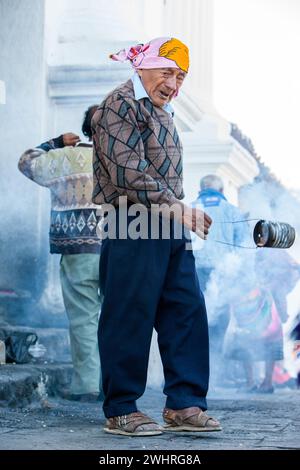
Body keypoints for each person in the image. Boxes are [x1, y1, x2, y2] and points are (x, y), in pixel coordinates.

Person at [92, 36, 221, 436]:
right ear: (143, 66)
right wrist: (178, 207)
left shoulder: (163, 111)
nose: (174, 84)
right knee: (129, 314)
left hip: (167, 226)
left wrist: (180, 212)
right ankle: (121, 409)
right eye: (168, 72)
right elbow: (127, 172)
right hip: (131, 223)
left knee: (185, 311)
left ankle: (184, 403)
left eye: (181, 77)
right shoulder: (119, 104)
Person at [18, 105, 102, 402]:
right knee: (116, 316)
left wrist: (54, 143)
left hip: (79, 249)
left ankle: (88, 385)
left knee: (83, 317)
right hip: (121, 246)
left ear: (85, 131)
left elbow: (27, 161)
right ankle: (117, 384)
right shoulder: (122, 158)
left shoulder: (64, 157)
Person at [191, 174, 246, 386]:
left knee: (193, 322)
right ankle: (213, 375)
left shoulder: (189, 207)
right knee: (218, 324)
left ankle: (193, 372)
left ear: (200, 189)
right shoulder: (233, 211)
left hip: (192, 272)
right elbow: (242, 249)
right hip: (223, 275)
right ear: (222, 191)